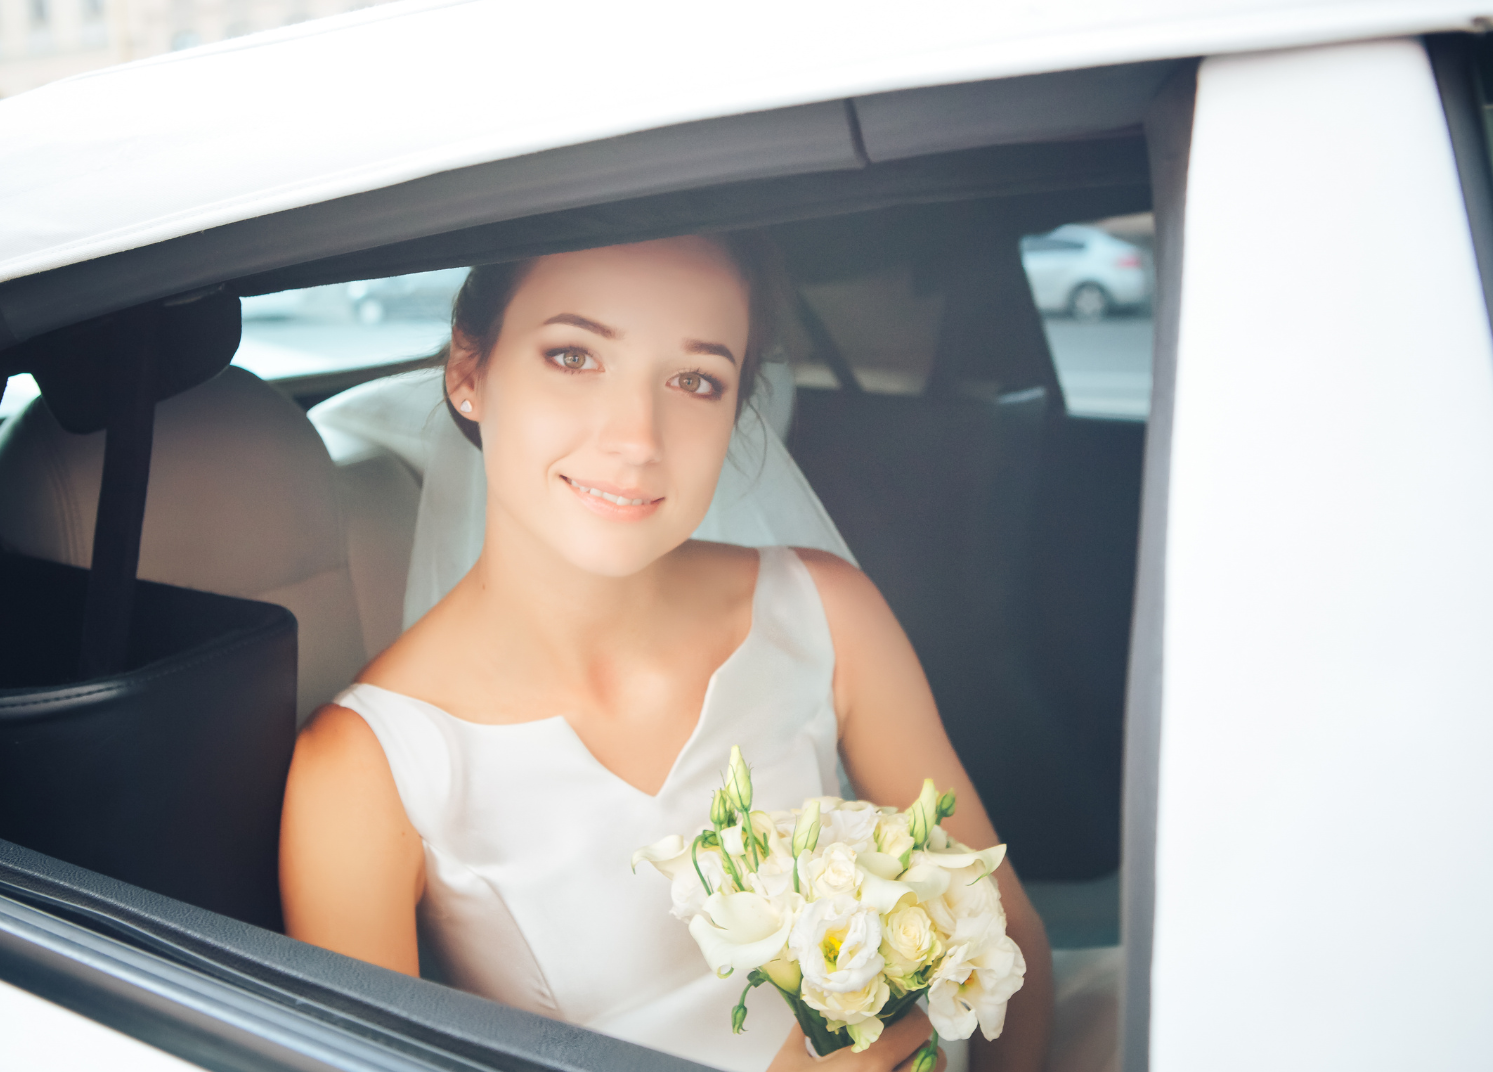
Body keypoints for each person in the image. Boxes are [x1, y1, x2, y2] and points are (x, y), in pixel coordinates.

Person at [278, 234, 1054, 1072]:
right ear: (469, 370)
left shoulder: (825, 611)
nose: (637, 437)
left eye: (695, 380)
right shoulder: (364, 768)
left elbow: (1008, 946)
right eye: (573, 356)